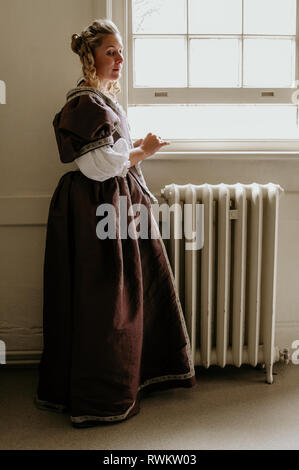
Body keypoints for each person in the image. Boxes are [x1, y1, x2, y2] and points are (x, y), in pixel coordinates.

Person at [35, 18, 196, 428]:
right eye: (111, 52)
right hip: (98, 208)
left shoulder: (102, 101)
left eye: (121, 51)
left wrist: (136, 150)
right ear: (91, 57)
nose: (120, 59)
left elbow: (110, 158)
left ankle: (132, 377)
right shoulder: (84, 104)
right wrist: (143, 151)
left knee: (130, 294)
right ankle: (100, 394)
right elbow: (98, 167)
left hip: (115, 205)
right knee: (105, 301)